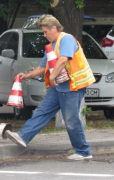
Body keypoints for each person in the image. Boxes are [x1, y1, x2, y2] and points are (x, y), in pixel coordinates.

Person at [5, 14, 95, 161]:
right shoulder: (52, 45)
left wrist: (53, 77)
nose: (44, 35)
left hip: (73, 86)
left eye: (46, 32)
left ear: (54, 28)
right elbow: (42, 67)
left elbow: (63, 59)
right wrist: (27, 76)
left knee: (71, 120)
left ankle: (84, 152)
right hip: (60, 86)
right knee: (42, 111)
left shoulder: (66, 39)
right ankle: (23, 136)